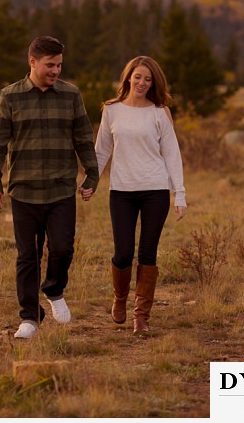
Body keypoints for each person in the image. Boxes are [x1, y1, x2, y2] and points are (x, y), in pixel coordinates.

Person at [0, 36, 99, 340]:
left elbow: (84, 139)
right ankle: (29, 317)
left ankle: (54, 289)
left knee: (62, 247)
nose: (56, 70)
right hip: (24, 190)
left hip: (62, 188)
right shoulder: (9, 97)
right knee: (27, 256)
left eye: (60, 64)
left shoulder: (71, 95)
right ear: (32, 62)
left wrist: (92, 174)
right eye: (50, 65)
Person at [84, 55, 186, 334]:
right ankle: (120, 299)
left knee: (148, 252)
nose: (142, 83)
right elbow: (102, 149)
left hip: (155, 189)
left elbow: (172, 154)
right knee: (123, 252)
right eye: (138, 76)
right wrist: (91, 179)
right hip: (122, 191)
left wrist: (180, 193)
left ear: (154, 83)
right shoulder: (111, 110)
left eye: (148, 79)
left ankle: (141, 316)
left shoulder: (159, 112)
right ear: (128, 76)